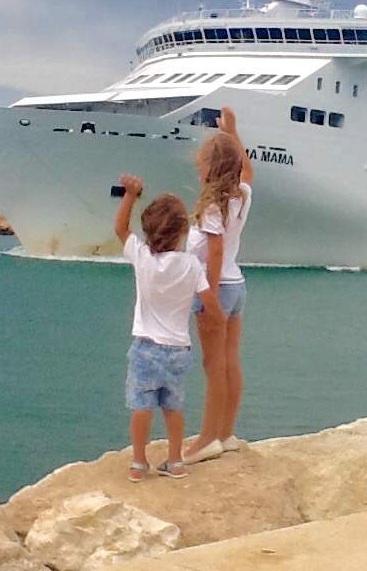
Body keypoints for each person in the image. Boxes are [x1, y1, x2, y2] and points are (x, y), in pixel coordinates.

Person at [114, 174, 223, 482]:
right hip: (179, 350)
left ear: (148, 231)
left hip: (145, 348)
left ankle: (138, 463)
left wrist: (131, 195)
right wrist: (213, 320)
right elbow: (211, 305)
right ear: (184, 231)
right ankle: (175, 461)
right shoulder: (190, 265)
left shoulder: (143, 257)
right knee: (173, 408)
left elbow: (121, 229)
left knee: (141, 407)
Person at [183, 106, 254, 464]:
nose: (197, 170)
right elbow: (249, 170)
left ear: (212, 168)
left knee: (213, 367)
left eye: (200, 165)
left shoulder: (214, 207)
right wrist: (233, 133)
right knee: (230, 363)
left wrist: (208, 297)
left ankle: (207, 439)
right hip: (237, 286)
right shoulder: (241, 194)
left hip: (218, 288)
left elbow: (214, 252)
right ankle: (226, 433)